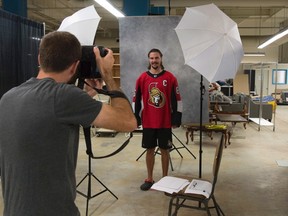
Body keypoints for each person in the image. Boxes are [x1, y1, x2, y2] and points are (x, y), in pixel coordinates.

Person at [0, 31, 137, 216]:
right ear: (75, 67)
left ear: (40, 59)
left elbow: (50, 113)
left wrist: (89, 94)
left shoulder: (9, 97)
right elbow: (128, 122)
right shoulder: (65, 97)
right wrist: (107, 76)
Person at [132, 48, 182, 191]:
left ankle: (165, 179)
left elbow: (178, 100)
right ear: (149, 60)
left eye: (157, 58)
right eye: (152, 58)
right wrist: (136, 118)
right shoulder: (142, 78)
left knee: (165, 150)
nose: (154, 61)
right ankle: (149, 178)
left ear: (161, 59)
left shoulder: (170, 78)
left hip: (165, 121)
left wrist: (176, 118)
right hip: (148, 121)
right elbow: (135, 100)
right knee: (149, 149)